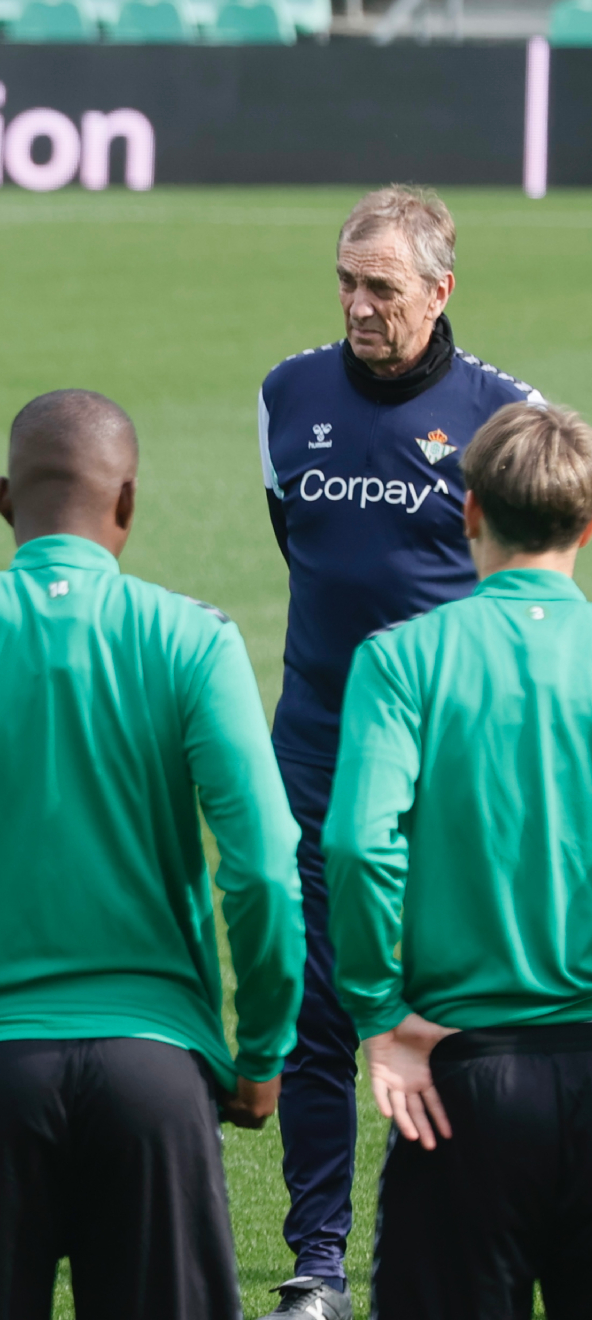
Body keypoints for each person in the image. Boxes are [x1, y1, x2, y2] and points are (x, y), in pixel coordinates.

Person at [0, 390, 305, 1320]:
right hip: (157, 1073)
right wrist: (263, 1049)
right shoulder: (194, 640)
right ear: (129, 502)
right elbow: (266, 864)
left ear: (4, 500)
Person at [255, 184, 543, 1319]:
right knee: (319, 1015)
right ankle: (318, 1263)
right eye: (346, 281)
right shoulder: (286, 393)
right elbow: (301, 544)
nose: (358, 305)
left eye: (382, 287)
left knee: (466, 1019)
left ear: (440, 290)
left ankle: (469, 1250)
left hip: (454, 772)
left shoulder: (506, 418)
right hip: (315, 757)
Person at [326, 402, 592, 1319]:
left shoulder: (403, 660)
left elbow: (358, 843)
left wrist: (378, 1014)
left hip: (461, 1083)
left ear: (469, 510)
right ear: (587, 526)